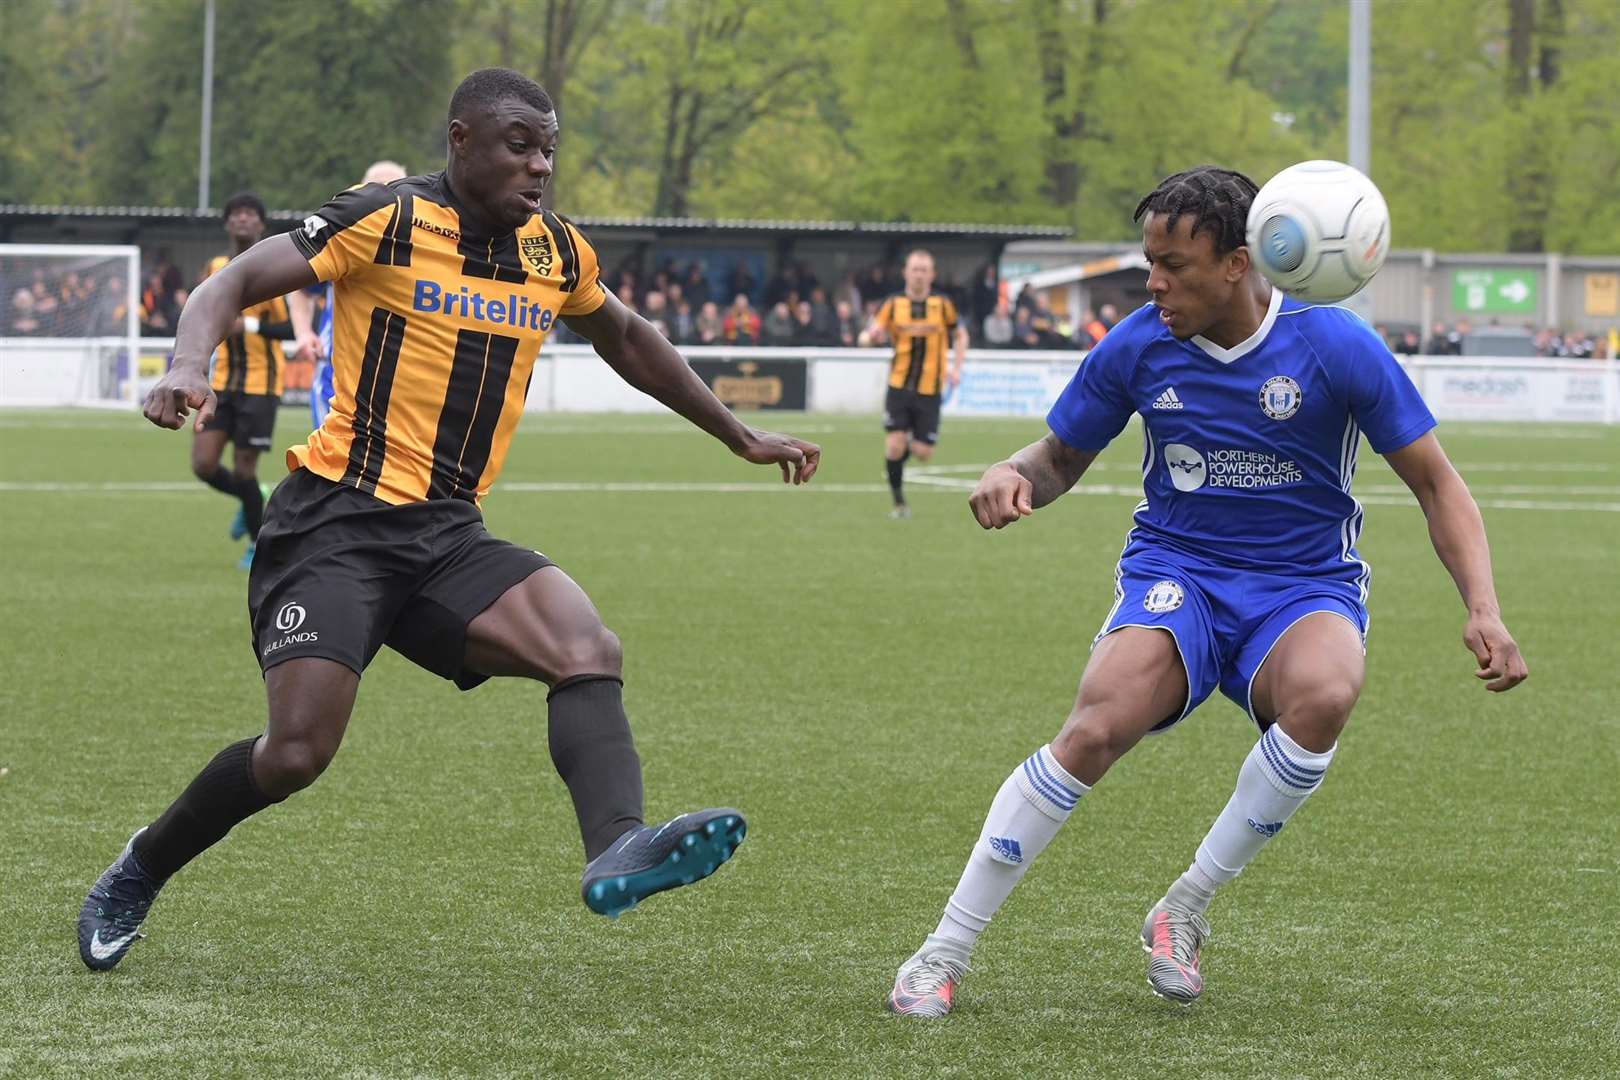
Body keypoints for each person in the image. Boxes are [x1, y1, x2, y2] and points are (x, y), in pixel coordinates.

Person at [78, 67, 822, 973]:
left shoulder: (556, 251)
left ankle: (618, 845)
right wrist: (189, 363)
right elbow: (233, 281)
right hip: (334, 525)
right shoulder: (385, 218)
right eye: (520, 144)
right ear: (461, 140)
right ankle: (139, 867)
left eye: (549, 148)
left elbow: (629, 339)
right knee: (296, 754)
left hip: (446, 533)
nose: (540, 165)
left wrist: (736, 433)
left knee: (586, 646)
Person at [885, 165, 1527, 1017]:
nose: (1153, 284)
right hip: (1178, 572)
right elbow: (1062, 456)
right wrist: (1014, 472)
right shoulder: (1138, 343)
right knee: (1095, 724)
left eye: (1173, 266)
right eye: (1149, 262)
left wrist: (1482, 607)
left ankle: (1184, 906)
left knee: (1326, 694)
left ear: (1239, 261)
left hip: (1303, 583)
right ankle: (941, 952)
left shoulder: (1334, 346)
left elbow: (1438, 484)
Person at [191, 192, 300, 569]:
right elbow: (200, 313)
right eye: (235, 213)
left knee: (243, 470)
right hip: (220, 384)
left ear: (261, 224)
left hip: (261, 386)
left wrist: (248, 325)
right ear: (226, 223)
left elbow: (292, 329)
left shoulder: (276, 267)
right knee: (203, 464)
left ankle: (258, 544)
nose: (242, 219)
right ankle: (252, 498)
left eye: (250, 214)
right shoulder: (215, 266)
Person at [301, 160, 408, 431]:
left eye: (396, 188)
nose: (388, 196)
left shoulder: (422, 244)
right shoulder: (344, 239)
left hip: (403, 383)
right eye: (379, 188)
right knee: (332, 467)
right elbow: (301, 287)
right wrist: (303, 332)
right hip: (339, 381)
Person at [861, 250, 967, 518]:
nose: (919, 274)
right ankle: (899, 503)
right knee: (894, 444)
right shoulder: (893, 304)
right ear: (905, 272)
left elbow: (961, 334)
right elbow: (869, 334)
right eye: (914, 269)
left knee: (923, 452)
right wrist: (869, 337)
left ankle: (898, 457)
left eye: (924, 270)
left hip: (930, 389)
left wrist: (957, 367)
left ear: (932, 275)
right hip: (898, 385)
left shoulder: (942, 304)